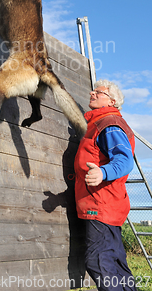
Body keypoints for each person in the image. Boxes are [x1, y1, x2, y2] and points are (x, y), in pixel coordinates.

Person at [74, 79, 137, 291]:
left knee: (99, 262)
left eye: (98, 92)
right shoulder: (102, 123)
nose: (92, 93)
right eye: (93, 90)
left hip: (100, 204)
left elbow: (125, 160)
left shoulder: (108, 124)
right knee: (116, 264)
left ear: (112, 101)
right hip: (109, 203)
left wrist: (102, 172)